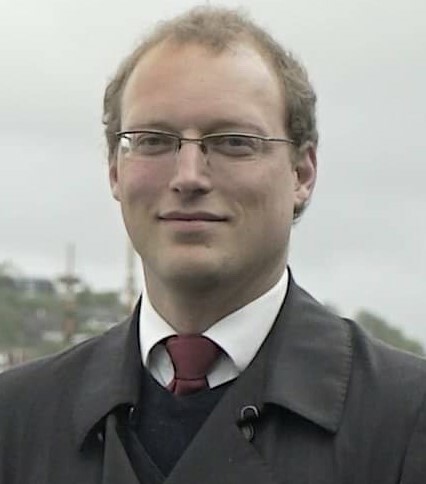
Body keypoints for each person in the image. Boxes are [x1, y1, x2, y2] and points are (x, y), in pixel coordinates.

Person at [0, 6, 425, 483]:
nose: (188, 176)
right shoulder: (15, 420)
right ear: (115, 170)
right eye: (153, 140)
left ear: (302, 173)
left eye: (233, 142)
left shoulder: (406, 422)